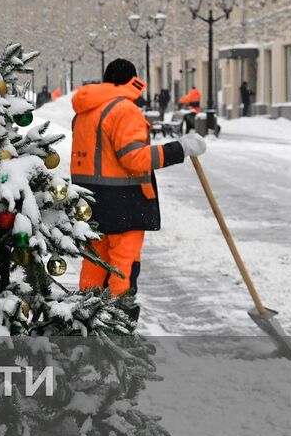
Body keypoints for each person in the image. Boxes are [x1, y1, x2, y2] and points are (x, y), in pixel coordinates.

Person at [71, 59, 206, 309]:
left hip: (90, 200)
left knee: (95, 262)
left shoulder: (86, 111)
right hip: (123, 202)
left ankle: (86, 318)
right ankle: (118, 323)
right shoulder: (124, 110)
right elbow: (135, 158)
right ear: (132, 80)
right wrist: (180, 148)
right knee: (123, 264)